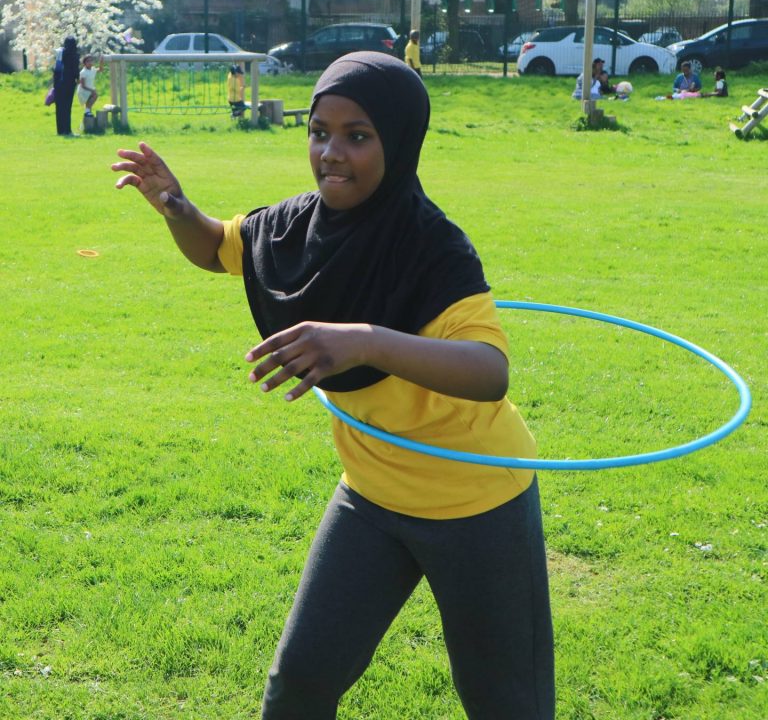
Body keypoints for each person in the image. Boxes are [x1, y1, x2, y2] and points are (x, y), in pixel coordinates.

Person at [111, 52, 554, 720]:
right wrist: (175, 206)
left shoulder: (432, 247)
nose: (331, 153)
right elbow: (218, 247)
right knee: (300, 682)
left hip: (477, 499)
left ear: (398, 141)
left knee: (505, 703)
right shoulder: (293, 226)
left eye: (358, 135)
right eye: (319, 132)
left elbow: (489, 371)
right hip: (371, 495)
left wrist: (366, 340)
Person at [53, 36, 80, 136]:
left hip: (58, 83)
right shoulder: (74, 55)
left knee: (59, 107)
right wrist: (77, 78)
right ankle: (67, 130)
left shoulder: (60, 53)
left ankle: (60, 130)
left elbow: (56, 68)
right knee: (67, 107)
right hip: (69, 83)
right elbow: (75, 70)